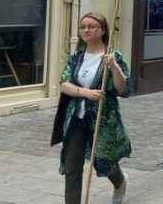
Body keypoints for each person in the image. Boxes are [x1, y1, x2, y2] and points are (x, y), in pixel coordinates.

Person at [56, 12, 131, 204]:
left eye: (92, 26)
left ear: (103, 30)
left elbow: (123, 89)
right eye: (83, 27)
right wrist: (85, 92)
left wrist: (114, 67)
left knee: (104, 161)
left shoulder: (112, 56)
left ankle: (120, 182)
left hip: (103, 119)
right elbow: (64, 83)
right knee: (72, 166)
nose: (86, 30)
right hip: (75, 119)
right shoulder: (76, 57)